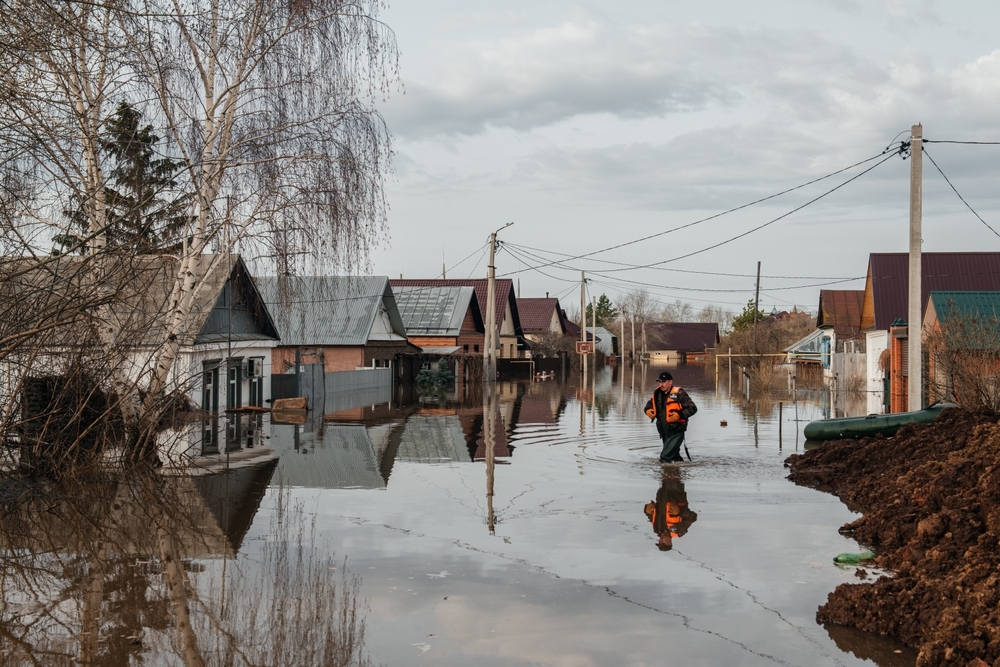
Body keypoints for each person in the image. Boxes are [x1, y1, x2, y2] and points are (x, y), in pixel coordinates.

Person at [643, 371, 697, 463]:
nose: (661, 384)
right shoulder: (657, 394)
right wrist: (647, 411)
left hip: (676, 431)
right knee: (674, 457)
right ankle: (678, 470)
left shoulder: (680, 393)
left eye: (664, 382)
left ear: (670, 382)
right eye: (660, 382)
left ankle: (665, 472)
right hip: (664, 431)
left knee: (665, 457)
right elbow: (648, 406)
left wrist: (679, 415)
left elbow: (693, 408)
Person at [643, 468, 698, 551]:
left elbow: (651, 515)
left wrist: (646, 510)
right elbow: (693, 517)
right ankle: (678, 464)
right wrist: (679, 511)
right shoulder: (679, 531)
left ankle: (670, 463)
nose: (661, 540)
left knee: (666, 472)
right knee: (673, 473)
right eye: (663, 542)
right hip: (677, 494)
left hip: (663, 494)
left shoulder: (657, 529)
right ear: (670, 543)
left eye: (659, 542)